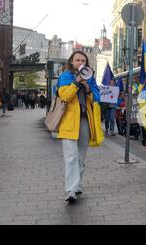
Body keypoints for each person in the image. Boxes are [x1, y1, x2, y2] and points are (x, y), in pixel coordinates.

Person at [57, 51, 103, 203]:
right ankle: (71, 190)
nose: (80, 62)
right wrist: (76, 82)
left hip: (84, 121)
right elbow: (64, 96)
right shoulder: (65, 76)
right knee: (71, 156)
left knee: (80, 157)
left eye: (83, 60)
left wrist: (87, 87)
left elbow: (97, 97)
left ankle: (76, 185)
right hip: (69, 121)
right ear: (71, 62)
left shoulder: (90, 78)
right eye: (77, 60)